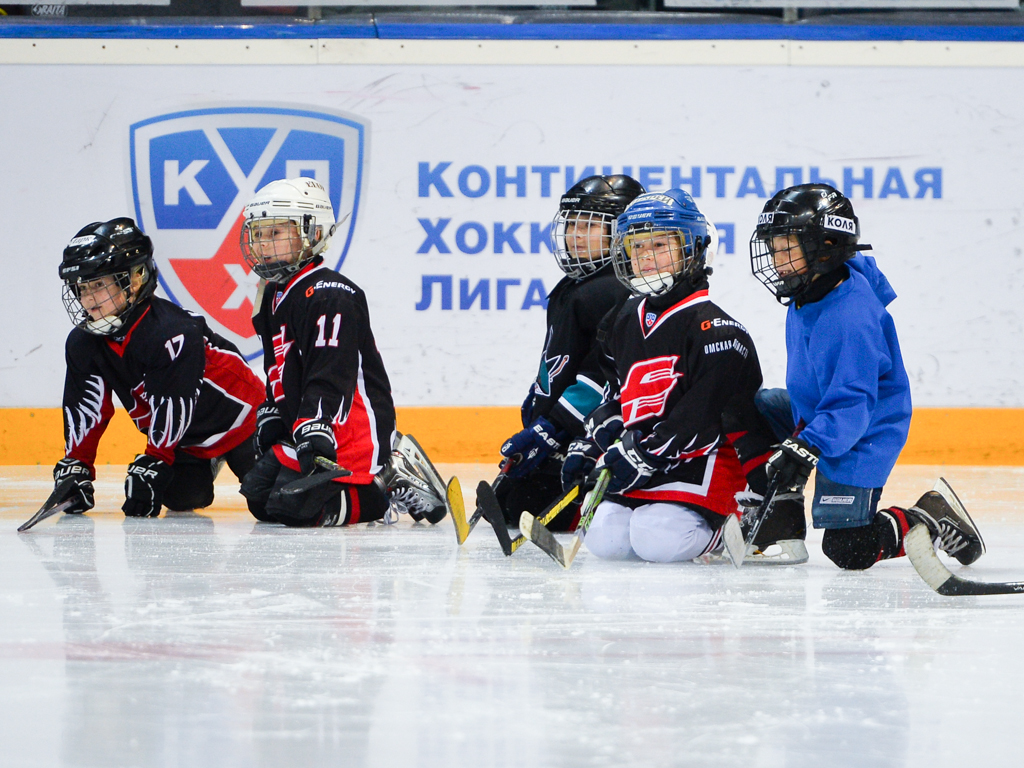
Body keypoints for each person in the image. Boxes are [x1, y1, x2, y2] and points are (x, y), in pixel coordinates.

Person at [749, 183, 984, 569]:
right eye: (775, 249)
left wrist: (806, 445)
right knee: (756, 406)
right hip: (821, 414)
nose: (777, 261)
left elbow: (852, 404)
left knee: (849, 549)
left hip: (863, 431)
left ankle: (928, 518)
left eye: (787, 248)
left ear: (825, 246)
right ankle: (777, 505)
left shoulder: (850, 316)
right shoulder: (811, 287)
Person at [562, 188, 796, 563]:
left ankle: (728, 527)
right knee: (605, 537)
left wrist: (643, 454)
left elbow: (702, 417)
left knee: (658, 539)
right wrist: (597, 437)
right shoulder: (622, 320)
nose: (646, 257)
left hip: (705, 460)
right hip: (649, 455)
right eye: (637, 248)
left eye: (659, 245)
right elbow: (619, 394)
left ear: (692, 250)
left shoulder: (718, 330)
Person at [237, 177, 448, 528]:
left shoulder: (331, 293)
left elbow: (329, 374)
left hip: (349, 426)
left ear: (313, 233)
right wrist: (274, 410)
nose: (263, 245)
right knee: (260, 497)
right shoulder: (273, 294)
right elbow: (278, 364)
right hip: (311, 421)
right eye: (259, 235)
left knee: (298, 510)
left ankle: (388, 477)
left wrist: (314, 424)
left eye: (275, 234)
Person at [55, 217, 265, 518]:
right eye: (82, 288)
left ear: (136, 279)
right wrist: (77, 464)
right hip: (188, 439)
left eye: (99, 286)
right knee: (180, 496)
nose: (89, 300)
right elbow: (86, 407)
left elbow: (173, 400)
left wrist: (155, 459)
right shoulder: (83, 343)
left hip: (243, 423)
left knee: (268, 503)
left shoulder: (171, 331)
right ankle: (205, 461)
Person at [495, 175, 644, 531]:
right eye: (573, 224)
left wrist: (552, 427)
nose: (576, 234)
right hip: (563, 430)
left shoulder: (616, 291)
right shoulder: (575, 288)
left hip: (592, 432)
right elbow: (558, 363)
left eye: (590, 226)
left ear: (624, 233)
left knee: (522, 506)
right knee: (508, 503)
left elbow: (601, 376)